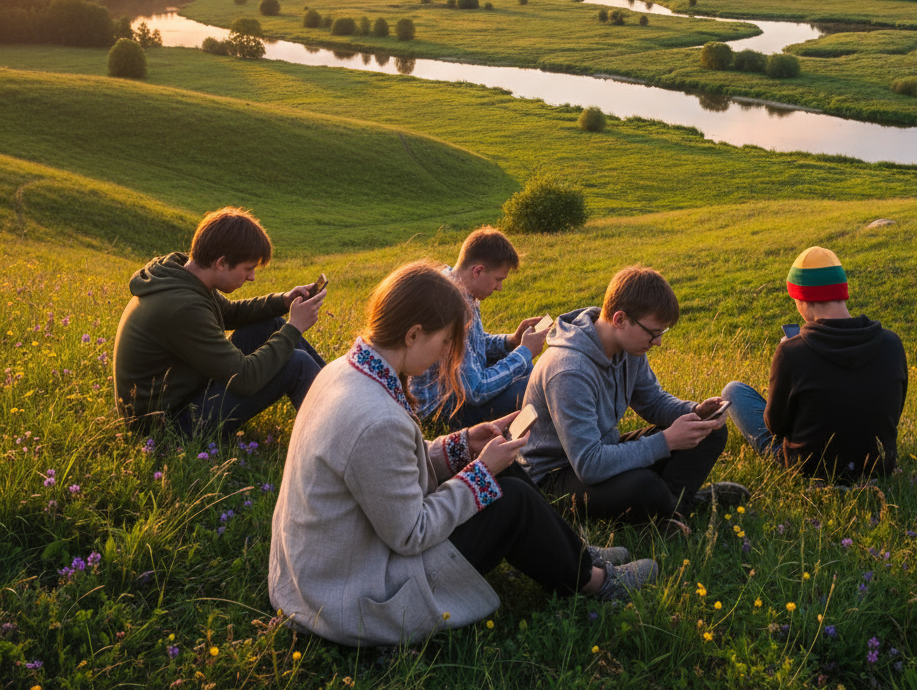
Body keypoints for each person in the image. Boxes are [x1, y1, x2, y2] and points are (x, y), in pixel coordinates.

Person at [268, 261, 658, 647]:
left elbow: (384, 465)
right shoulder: (377, 418)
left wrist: (463, 445)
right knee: (510, 498)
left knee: (504, 474)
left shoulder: (344, 370)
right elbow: (411, 533)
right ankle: (596, 582)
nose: (444, 356)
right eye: (443, 343)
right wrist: (480, 474)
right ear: (413, 334)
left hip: (326, 570)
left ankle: (575, 554)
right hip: (351, 594)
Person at [519, 266, 747, 525]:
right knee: (641, 485)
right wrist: (667, 441)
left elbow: (652, 401)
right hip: (555, 475)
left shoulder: (629, 347)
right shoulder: (569, 369)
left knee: (708, 431)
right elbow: (589, 465)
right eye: (653, 333)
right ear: (620, 319)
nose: (658, 341)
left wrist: (694, 412)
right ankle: (673, 508)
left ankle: (671, 511)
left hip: (601, 450)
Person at [113, 206, 327, 435]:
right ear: (222, 263)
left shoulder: (183, 276)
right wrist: (295, 327)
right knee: (297, 364)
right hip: (165, 427)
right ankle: (339, 432)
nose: (251, 277)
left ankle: (338, 391)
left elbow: (230, 314)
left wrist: (283, 301)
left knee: (269, 325)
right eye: (248, 268)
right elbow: (244, 378)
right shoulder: (183, 307)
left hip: (186, 395)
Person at [723, 246, 908, 481]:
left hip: (810, 469)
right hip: (876, 467)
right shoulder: (892, 343)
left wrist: (786, 358)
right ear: (843, 292)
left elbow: (775, 427)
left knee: (733, 391)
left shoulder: (791, 352)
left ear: (802, 299)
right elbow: (894, 413)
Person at [410, 227, 546, 428]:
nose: (499, 288)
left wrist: (512, 341)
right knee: (534, 385)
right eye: (498, 279)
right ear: (478, 271)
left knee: (527, 371)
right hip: (443, 411)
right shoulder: (451, 307)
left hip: (457, 390)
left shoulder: (456, 287)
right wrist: (525, 352)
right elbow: (476, 390)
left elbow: (474, 343)